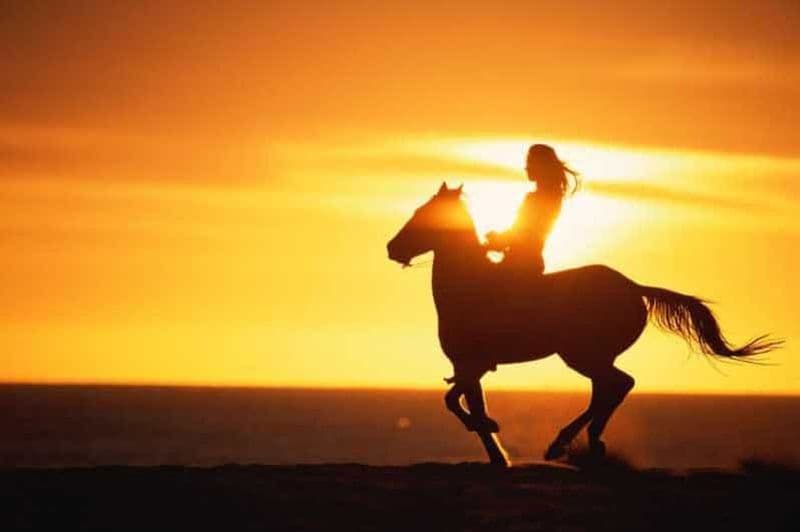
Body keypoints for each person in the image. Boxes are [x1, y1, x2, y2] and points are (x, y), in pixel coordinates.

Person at [485, 144, 579, 276]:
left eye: (529, 162)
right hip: (526, 262)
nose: (526, 167)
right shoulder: (552, 196)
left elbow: (525, 233)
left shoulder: (537, 198)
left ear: (540, 166)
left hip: (521, 265)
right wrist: (500, 239)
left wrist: (499, 240)